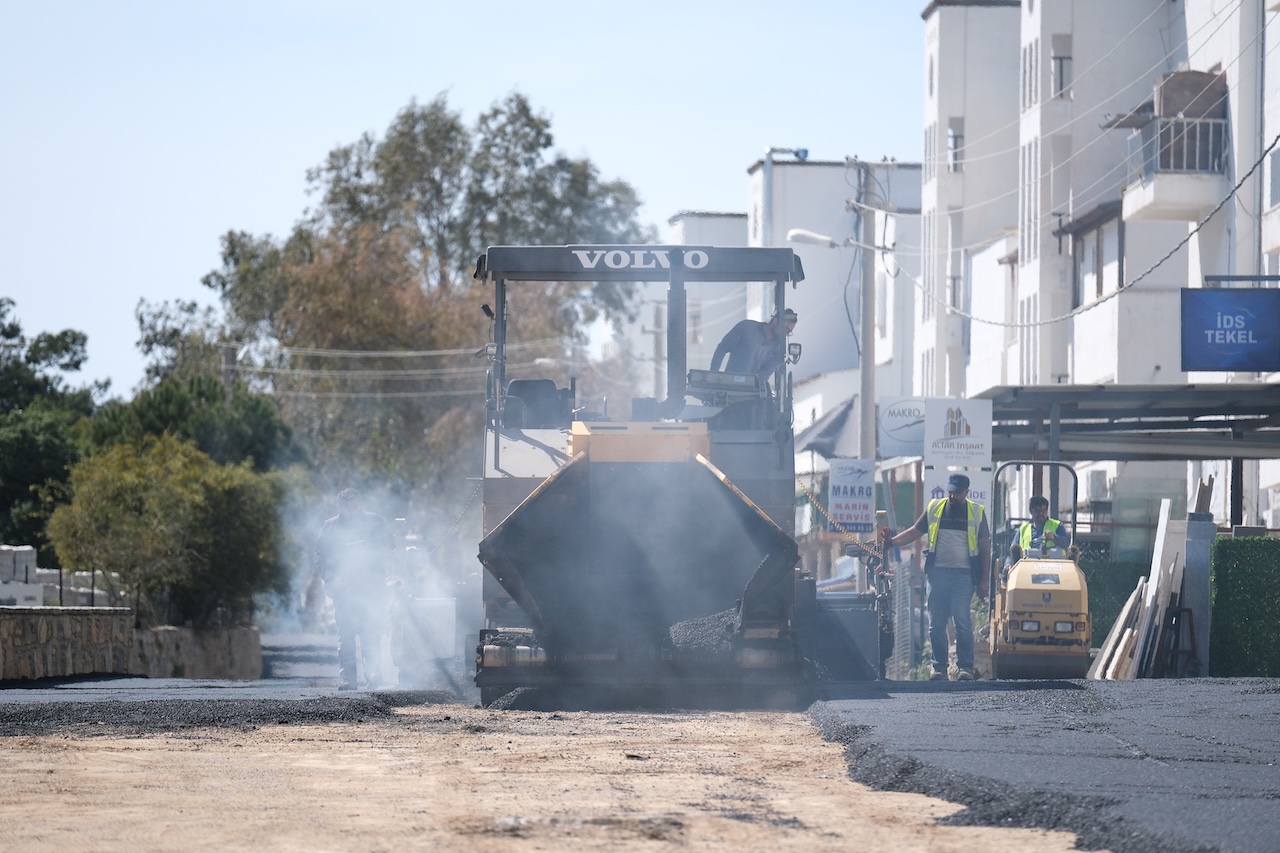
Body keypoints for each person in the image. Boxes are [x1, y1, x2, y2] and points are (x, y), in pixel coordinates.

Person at [880, 473, 991, 682]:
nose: (952, 496)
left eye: (957, 493)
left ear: (966, 492)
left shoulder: (977, 512)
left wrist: (984, 580)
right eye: (950, 491)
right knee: (936, 623)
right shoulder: (935, 508)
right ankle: (939, 668)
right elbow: (915, 531)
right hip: (937, 574)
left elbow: (985, 548)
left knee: (962, 620)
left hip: (963, 575)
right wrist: (892, 542)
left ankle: (965, 668)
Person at [314, 488, 396, 689]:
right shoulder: (330, 527)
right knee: (346, 635)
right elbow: (320, 556)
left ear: (359, 504)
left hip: (371, 589)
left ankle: (374, 673)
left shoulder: (375, 522)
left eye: (354, 504)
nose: (352, 509)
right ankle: (348, 678)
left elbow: (389, 546)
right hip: (343, 592)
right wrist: (331, 579)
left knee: (370, 631)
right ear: (340, 506)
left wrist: (381, 564)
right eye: (347, 505)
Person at [709, 308, 798, 386]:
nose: (785, 333)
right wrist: (713, 374)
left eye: (789, 332)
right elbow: (722, 348)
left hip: (752, 393)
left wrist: (754, 384)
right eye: (785, 328)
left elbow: (766, 372)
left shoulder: (779, 349)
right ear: (775, 321)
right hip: (730, 386)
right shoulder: (746, 328)